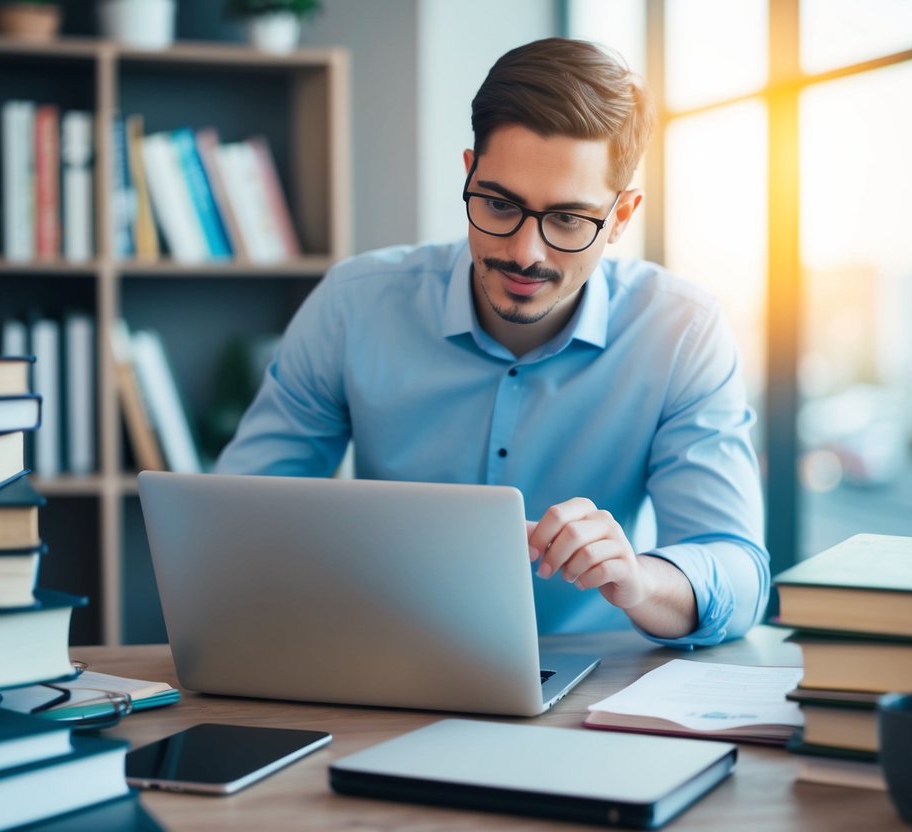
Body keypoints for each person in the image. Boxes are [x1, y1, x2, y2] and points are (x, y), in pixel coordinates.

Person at [215, 37, 769, 646]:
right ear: (469, 176)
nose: (525, 253)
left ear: (621, 218)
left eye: (568, 219)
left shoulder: (681, 332)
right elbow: (233, 523)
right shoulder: (354, 305)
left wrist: (638, 577)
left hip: (589, 691)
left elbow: (739, 574)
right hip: (385, 666)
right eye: (500, 204)